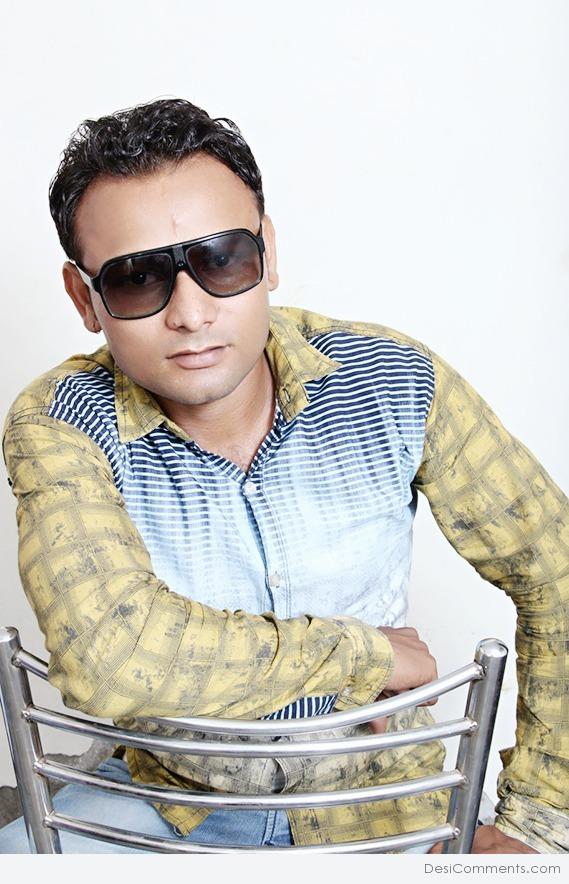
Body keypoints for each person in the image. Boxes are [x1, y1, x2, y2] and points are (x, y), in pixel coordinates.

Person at [0, 98, 566, 854]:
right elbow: (110, 658)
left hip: (386, 807)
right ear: (85, 299)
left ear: (267, 253)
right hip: (169, 803)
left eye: (221, 259)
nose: (191, 313)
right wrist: (362, 654)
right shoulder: (61, 421)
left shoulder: (395, 382)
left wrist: (540, 822)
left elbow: (556, 565)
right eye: (138, 279)